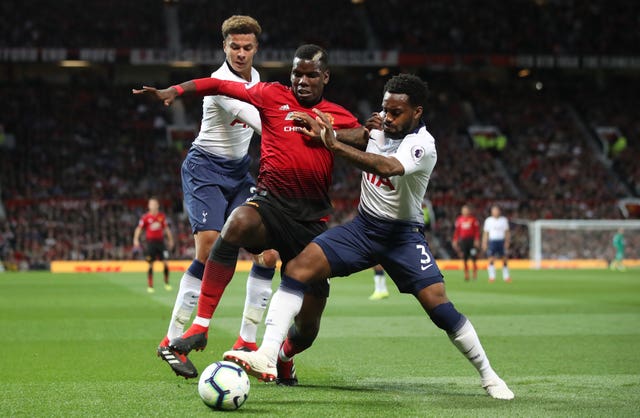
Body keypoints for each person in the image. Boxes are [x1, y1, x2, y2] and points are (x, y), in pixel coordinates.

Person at [223, 74, 514, 400]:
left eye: (396, 112)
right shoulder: (379, 129)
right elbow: (360, 135)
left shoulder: (422, 144)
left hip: (403, 236)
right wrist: (325, 133)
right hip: (363, 229)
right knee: (296, 269)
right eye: (385, 109)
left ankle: (490, 376)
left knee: (440, 308)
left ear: (416, 112)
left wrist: (334, 144)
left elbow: (386, 166)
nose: (387, 117)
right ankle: (270, 354)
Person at [134, 44, 364, 385]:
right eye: (297, 74)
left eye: (310, 75)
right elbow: (219, 85)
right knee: (237, 223)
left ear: (325, 77)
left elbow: (362, 135)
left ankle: (284, 355)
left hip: (311, 223)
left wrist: (329, 135)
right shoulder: (271, 95)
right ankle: (200, 326)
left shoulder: (335, 113)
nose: (302, 80)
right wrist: (177, 90)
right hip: (270, 205)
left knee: (307, 328)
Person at [135, 15, 278, 379]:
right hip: (205, 168)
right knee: (210, 246)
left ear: (256, 48)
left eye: (247, 47)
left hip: (239, 172)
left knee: (269, 252)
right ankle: (171, 340)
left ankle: (247, 343)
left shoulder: (257, 79)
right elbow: (262, 122)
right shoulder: (221, 84)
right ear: (224, 47)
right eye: (235, 47)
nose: (242, 53)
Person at [133, 197, 174, 293]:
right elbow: (139, 229)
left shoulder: (161, 217)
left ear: (158, 205)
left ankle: (167, 283)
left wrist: (170, 239)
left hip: (161, 243)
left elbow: (166, 229)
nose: (153, 206)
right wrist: (135, 239)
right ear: (149, 206)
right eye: (151, 204)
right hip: (150, 244)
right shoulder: (145, 217)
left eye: (154, 204)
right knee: (150, 264)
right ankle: (150, 286)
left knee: (166, 263)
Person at [481, 205, 511, 283]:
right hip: (492, 241)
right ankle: (492, 277)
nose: (495, 212)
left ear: (499, 211)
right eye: (494, 211)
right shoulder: (488, 220)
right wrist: (484, 242)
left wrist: (507, 241)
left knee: (504, 259)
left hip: (501, 241)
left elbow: (507, 232)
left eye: (497, 210)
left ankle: (506, 276)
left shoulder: (503, 220)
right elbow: (486, 233)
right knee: (491, 259)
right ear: (491, 212)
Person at [452, 204, 480, 281]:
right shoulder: (459, 220)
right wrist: (455, 240)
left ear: (469, 211)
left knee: (474, 257)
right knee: (464, 258)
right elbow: (457, 231)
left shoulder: (473, 219)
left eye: (466, 210)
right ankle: (466, 274)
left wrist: (477, 240)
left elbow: (477, 231)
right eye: (463, 210)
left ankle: (474, 273)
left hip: (471, 241)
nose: (465, 211)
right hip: (463, 242)